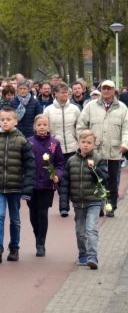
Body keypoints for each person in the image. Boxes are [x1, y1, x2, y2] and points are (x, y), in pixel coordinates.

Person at [0, 106, 35, 264]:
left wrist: (27, 188)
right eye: (2, 120)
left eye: (8, 119)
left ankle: (14, 247)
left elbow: (30, 166)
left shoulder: (22, 141)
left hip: (15, 186)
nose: (5, 122)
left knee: (15, 219)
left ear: (16, 121)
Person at [76, 80, 128, 218]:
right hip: (95, 152)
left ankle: (111, 207)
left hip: (114, 151)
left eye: (109, 88)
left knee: (112, 181)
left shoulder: (122, 108)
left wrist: (125, 143)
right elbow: (81, 125)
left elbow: (126, 129)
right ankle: (96, 206)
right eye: (104, 88)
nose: (106, 91)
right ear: (100, 90)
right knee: (95, 179)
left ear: (114, 91)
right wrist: (84, 142)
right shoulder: (90, 106)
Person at [59, 130, 108, 269]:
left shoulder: (98, 159)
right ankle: (83, 254)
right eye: (83, 142)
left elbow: (104, 179)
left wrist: (94, 170)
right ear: (79, 143)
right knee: (80, 231)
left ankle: (93, 257)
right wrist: (64, 204)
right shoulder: (71, 161)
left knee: (91, 229)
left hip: (94, 200)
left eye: (89, 143)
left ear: (94, 145)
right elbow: (65, 183)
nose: (86, 145)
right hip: (78, 202)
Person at [27, 115, 64, 257]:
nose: (42, 127)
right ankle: (37, 234)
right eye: (39, 125)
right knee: (33, 214)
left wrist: (58, 175)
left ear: (49, 127)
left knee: (43, 213)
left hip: (47, 185)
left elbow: (60, 163)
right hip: (32, 184)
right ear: (34, 127)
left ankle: (41, 243)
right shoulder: (28, 142)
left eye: (44, 125)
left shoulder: (54, 143)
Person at [43, 83, 81, 161]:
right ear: (56, 94)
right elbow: (45, 129)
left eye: (66, 92)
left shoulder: (75, 109)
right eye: (62, 92)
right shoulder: (48, 110)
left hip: (73, 147)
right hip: (55, 147)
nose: (65, 94)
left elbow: (80, 127)